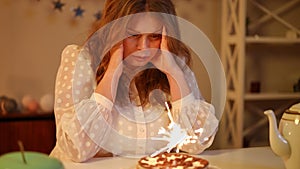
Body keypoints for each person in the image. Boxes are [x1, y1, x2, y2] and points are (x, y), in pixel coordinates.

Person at [50, 0, 219, 162]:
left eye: (154, 36)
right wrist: (112, 73)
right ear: (113, 30)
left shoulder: (175, 64)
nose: (143, 47)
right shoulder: (80, 60)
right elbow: (76, 150)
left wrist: (173, 73)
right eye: (133, 35)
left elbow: (197, 143)